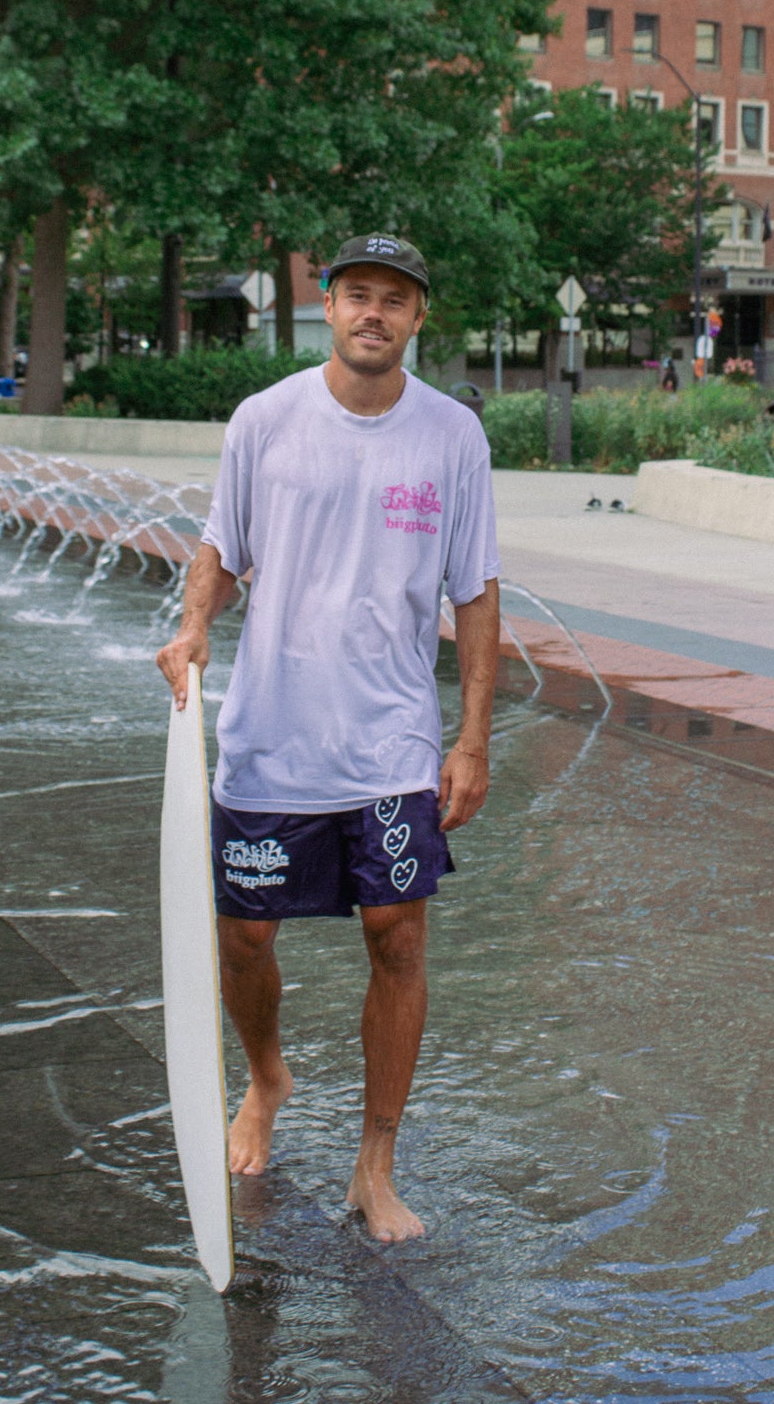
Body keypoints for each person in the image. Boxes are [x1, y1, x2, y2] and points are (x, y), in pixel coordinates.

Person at [156, 234, 500, 1244]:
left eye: (395, 299)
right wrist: (192, 626)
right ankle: (267, 1075)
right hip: (271, 734)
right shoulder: (267, 420)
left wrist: (472, 735)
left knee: (398, 934)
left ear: (418, 317)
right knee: (243, 936)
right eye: (358, 294)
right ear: (329, 304)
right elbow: (221, 545)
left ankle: (374, 1162)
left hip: (390, 740)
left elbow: (474, 590)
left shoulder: (451, 436)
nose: (373, 313)